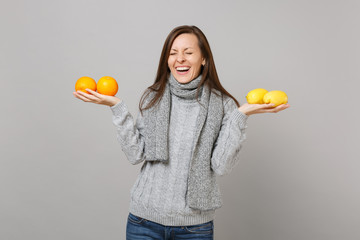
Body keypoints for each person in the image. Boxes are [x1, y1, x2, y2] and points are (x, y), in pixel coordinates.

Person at [73, 25, 289, 240]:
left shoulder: (223, 105)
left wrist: (240, 116)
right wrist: (117, 108)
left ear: (203, 58)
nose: (180, 59)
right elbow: (135, 154)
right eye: (173, 53)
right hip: (143, 222)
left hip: (195, 228)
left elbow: (222, 166)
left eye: (188, 52)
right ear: (166, 60)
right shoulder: (153, 97)